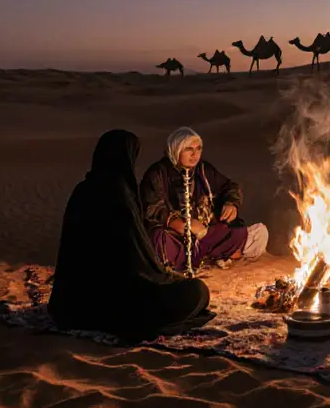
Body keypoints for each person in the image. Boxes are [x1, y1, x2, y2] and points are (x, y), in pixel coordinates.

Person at [48, 129, 212, 341]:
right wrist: (165, 277)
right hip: (118, 304)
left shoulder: (82, 190)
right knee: (197, 291)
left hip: (71, 305)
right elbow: (136, 261)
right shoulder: (120, 196)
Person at [140, 127, 269, 274]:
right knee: (158, 241)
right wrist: (181, 224)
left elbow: (230, 187)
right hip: (176, 235)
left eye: (198, 149)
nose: (195, 155)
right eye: (189, 149)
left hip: (205, 232)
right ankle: (205, 258)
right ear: (175, 150)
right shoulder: (157, 173)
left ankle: (210, 255)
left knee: (259, 233)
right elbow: (152, 209)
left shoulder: (203, 170)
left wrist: (231, 203)